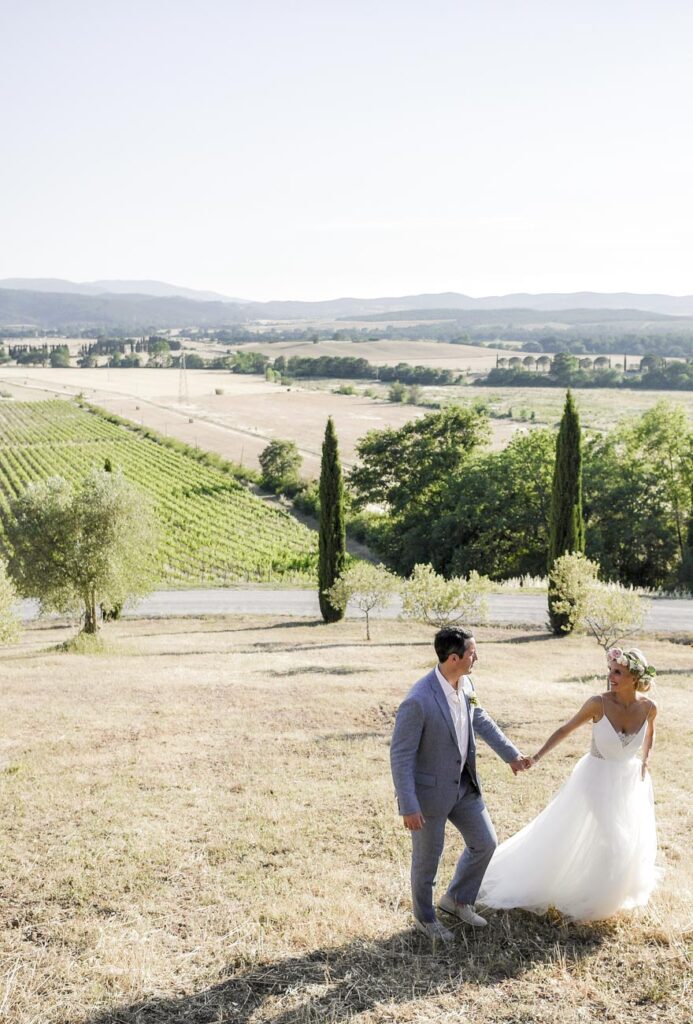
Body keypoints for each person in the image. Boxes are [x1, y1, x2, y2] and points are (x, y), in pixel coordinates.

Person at [477, 647, 659, 922]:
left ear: (634, 676)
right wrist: (536, 757)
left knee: (624, 839)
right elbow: (565, 729)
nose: (611, 676)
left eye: (618, 672)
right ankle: (597, 904)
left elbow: (650, 735)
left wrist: (644, 760)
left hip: (629, 781)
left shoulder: (649, 708)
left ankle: (602, 891)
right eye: (610, 670)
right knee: (614, 839)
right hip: (595, 778)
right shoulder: (598, 703)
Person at [390, 626, 531, 942]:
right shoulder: (418, 700)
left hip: (464, 787)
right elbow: (400, 756)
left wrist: (511, 755)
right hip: (429, 795)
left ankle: (456, 899)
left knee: (485, 842)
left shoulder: (466, 684)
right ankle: (425, 919)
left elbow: (481, 719)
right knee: (427, 861)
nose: (476, 657)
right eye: (472, 653)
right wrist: (408, 805)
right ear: (453, 658)